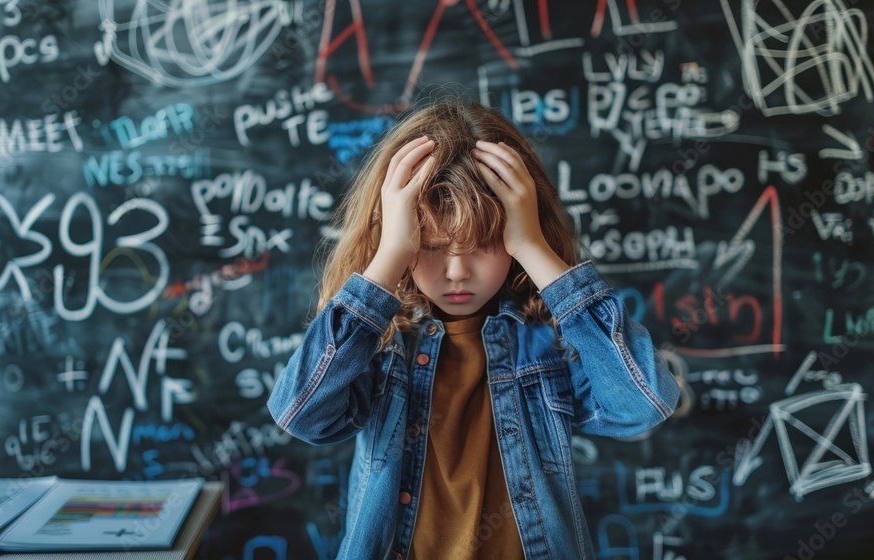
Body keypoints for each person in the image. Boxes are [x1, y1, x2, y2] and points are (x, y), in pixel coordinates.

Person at [267, 98, 680, 559]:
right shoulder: (382, 344)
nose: (458, 271)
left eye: (485, 243)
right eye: (431, 245)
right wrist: (388, 256)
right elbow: (302, 415)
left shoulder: (546, 343)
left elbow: (642, 404)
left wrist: (532, 244)